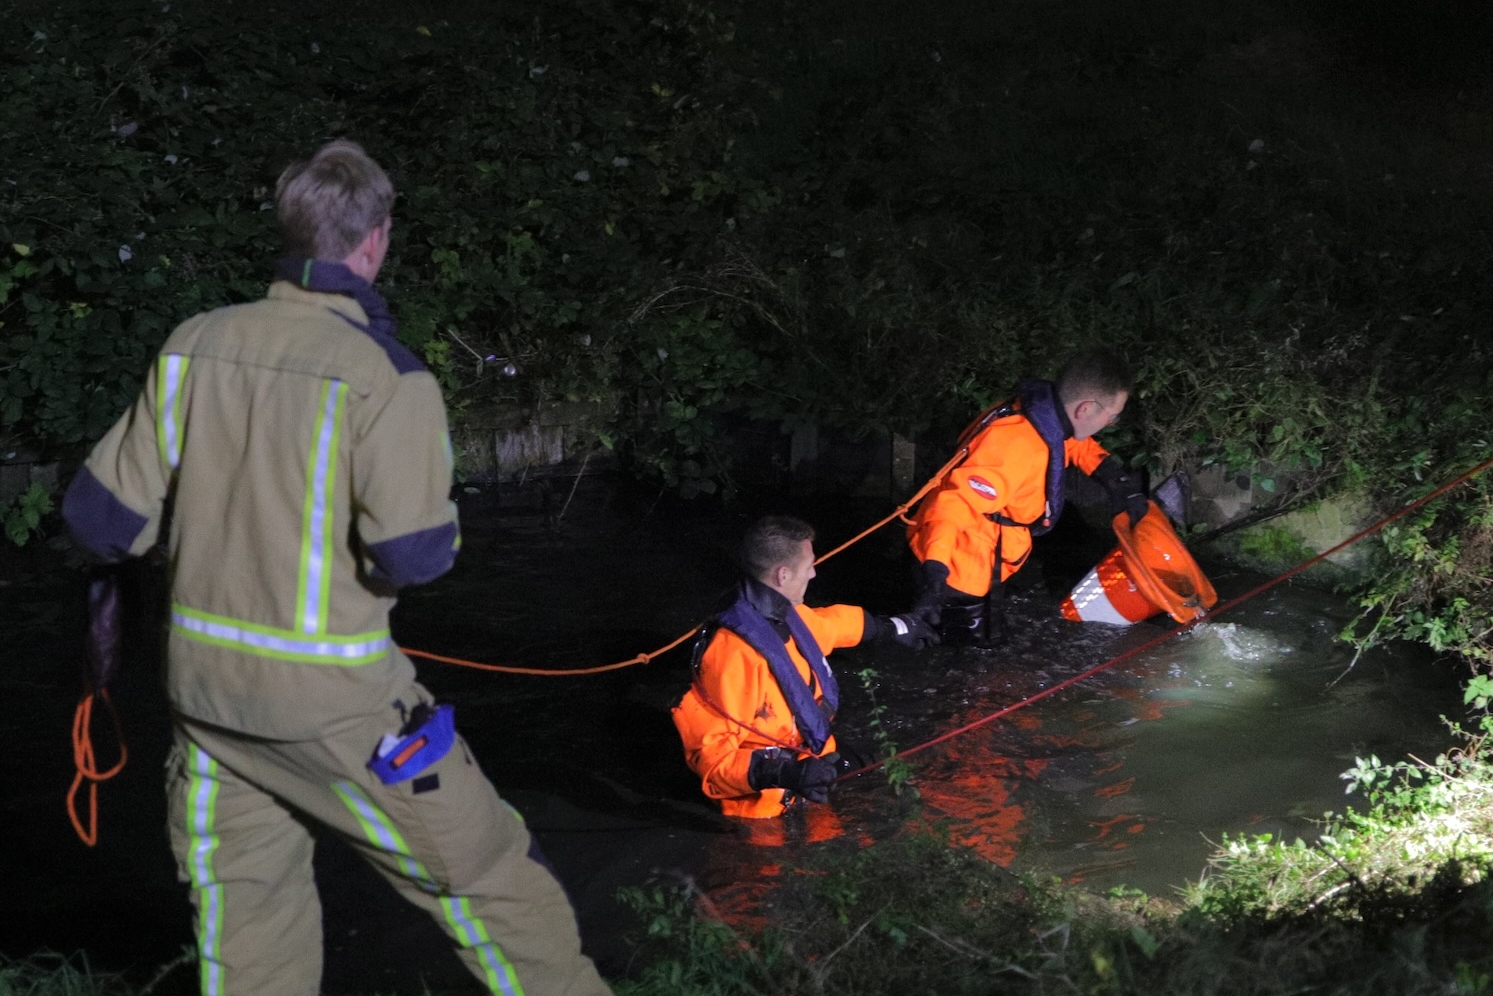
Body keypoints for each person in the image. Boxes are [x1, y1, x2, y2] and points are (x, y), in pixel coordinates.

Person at [61, 140, 609, 995]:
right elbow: (414, 556)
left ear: (291, 230)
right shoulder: (387, 379)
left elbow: (99, 524)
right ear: (376, 239)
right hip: (339, 710)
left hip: (206, 706)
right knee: (496, 881)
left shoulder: (192, 345)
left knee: (251, 940)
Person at [670, 516, 937, 818]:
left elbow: (832, 626)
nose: (813, 572)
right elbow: (713, 762)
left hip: (813, 756)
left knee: (901, 779)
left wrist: (895, 627)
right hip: (768, 803)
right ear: (783, 575)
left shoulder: (782, 615)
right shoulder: (732, 656)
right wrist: (787, 774)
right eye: (809, 564)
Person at [906, 350, 1148, 643]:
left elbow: (1070, 444)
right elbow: (954, 505)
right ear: (1085, 409)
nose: (1111, 423)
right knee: (967, 662)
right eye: (1112, 417)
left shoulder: (1036, 414)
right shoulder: (1017, 448)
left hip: (973, 553)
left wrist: (1115, 478)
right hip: (958, 566)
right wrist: (936, 572)